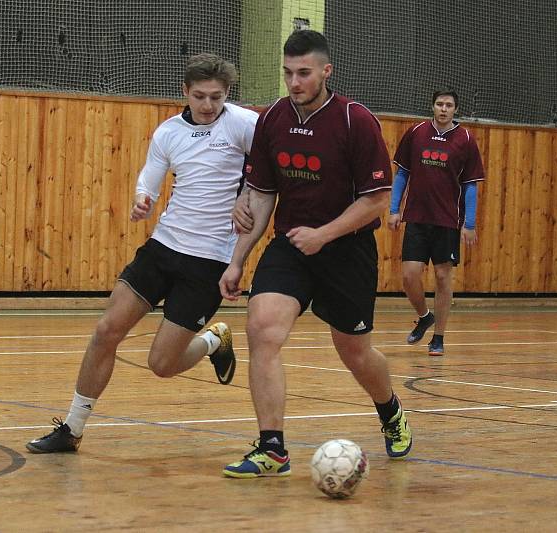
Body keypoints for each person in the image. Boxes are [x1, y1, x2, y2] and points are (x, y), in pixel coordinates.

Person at [26, 53, 258, 453]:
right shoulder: (168, 132)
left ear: (227, 94)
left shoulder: (245, 125)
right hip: (163, 247)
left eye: (216, 98)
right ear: (185, 91)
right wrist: (143, 198)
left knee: (161, 365)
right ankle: (72, 427)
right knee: (106, 331)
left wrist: (248, 198)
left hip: (209, 261)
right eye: (200, 96)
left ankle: (212, 342)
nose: (207, 106)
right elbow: (150, 177)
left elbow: (270, 172)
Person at [218, 30, 413, 478]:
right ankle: (272, 449)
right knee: (262, 329)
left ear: (326, 71)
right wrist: (237, 258)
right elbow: (262, 196)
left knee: (355, 353)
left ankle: (390, 411)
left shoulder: (355, 120)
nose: (294, 82)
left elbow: (376, 199)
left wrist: (324, 235)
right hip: (291, 247)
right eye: (287, 73)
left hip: (346, 251)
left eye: (303, 73)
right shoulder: (271, 120)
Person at [387, 90, 486, 357]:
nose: (444, 109)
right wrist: (394, 209)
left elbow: (470, 186)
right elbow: (402, 174)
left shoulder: (465, 139)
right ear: (432, 106)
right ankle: (424, 315)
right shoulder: (416, 133)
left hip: (447, 221)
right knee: (409, 276)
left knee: (443, 277)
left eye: (449, 105)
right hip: (417, 217)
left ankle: (438, 337)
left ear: (455, 109)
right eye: (440, 104)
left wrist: (470, 223)